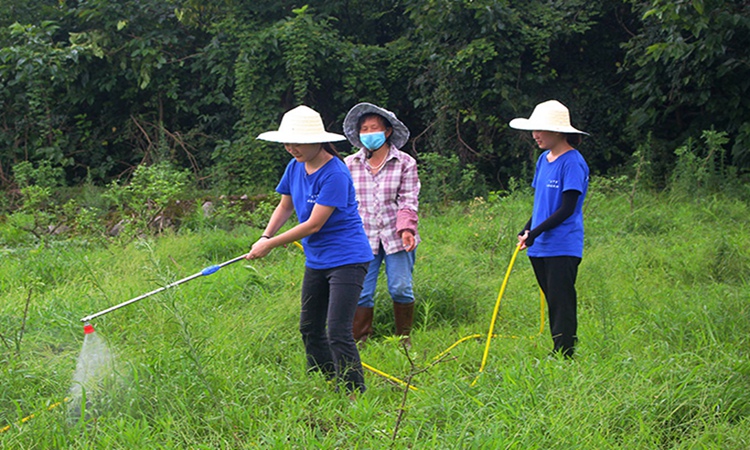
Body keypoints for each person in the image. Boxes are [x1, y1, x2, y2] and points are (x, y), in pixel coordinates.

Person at [246, 105, 373, 394]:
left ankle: (354, 393)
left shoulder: (335, 173)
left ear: (318, 140)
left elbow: (314, 224)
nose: (292, 148)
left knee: (339, 331)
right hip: (316, 259)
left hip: (348, 259)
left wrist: (270, 245)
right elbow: (285, 205)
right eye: (287, 143)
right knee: (309, 327)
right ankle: (324, 381)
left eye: (298, 142)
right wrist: (265, 234)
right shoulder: (294, 167)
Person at [510, 100, 590, 359]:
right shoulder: (544, 159)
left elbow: (567, 208)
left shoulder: (573, 162)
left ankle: (564, 354)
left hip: (562, 244)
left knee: (561, 300)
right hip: (540, 245)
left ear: (558, 131)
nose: (535, 135)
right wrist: (527, 230)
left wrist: (536, 233)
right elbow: (542, 204)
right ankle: (559, 349)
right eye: (534, 129)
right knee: (551, 297)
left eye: (541, 130)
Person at [342, 103, 420, 348]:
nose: (368, 132)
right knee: (362, 291)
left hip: (396, 235)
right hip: (361, 238)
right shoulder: (349, 164)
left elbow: (408, 199)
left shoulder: (405, 163)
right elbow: (342, 203)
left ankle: (404, 339)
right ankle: (361, 341)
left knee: (400, 287)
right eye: (364, 129)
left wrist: (407, 228)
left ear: (387, 131)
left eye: (373, 128)